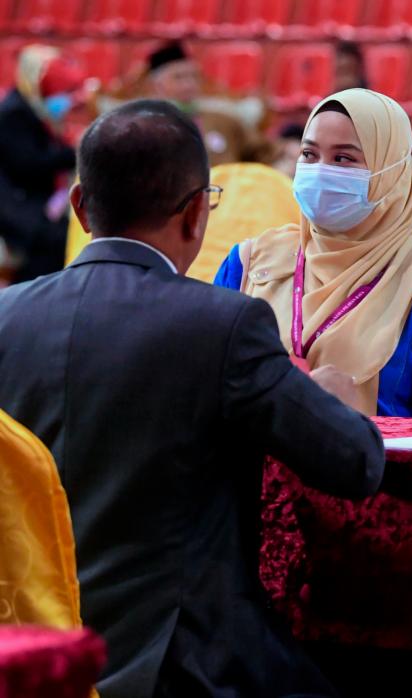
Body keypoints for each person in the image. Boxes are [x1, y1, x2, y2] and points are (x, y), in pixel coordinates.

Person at [0, 99, 384, 697]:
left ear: (79, 207)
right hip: (185, 665)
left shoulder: (5, 317)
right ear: (196, 216)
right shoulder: (221, 326)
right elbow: (355, 464)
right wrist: (335, 394)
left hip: (38, 663)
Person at [215, 88, 412, 420]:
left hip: (381, 469)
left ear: (393, 172)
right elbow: (206, 388)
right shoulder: (250, 261)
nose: (320, 172)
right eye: (309, 154)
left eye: (343, 158)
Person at [0, 45, 86, 282]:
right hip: (16, 205)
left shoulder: (35, 109)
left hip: (35, 201)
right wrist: (72, 153)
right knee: (54, 241)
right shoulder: (14, 113)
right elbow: (27, 165)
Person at [146, 40, 260, 167]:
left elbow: (262, 151)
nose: (189, 85)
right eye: (178, 77)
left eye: (193, 77)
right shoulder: (145, 125)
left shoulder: (222, 120)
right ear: (157, 86)